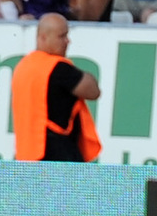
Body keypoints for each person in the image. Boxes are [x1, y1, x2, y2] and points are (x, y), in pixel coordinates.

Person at [10, 12, 101, 162]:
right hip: (59, 155)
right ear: (43, 38)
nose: (67, 41)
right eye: (62, 36)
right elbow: (93, 91)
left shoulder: (23, 66)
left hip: (27, 154)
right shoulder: (58, 68)